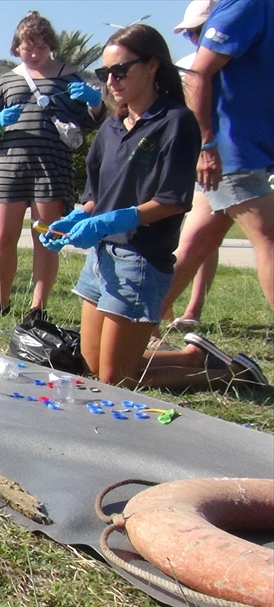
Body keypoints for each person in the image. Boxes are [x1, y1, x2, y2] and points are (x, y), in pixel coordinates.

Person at [40, 24, 265, 390]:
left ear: (152, 66)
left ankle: (231, 374)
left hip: (139, 259)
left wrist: (121, 217)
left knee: (116, 380)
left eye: (120, 70)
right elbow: (97, 193)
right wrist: (81, 215)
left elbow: (174, 200)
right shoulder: (112, 128)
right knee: (93, 368)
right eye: (104, 73)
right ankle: (194, 358)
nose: (111, 81)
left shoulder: (176, 123)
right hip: (101, 257)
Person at [0, 11, 107, 322]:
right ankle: (1, 300)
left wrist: (94, 101)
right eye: (27, 48)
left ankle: (38, 307)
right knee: (3, 237)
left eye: (41, 48)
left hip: (52, 167)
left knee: (45, 238)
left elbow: (94, 122)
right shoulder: (7, 80)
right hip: (11, 168)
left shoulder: (70, 76)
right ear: (16, 48)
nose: (34, 54)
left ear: (52, 47)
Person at [158, 0, 274, 322]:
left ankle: (134, 327)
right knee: (270, 238)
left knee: (196, 244)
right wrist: (206, 145)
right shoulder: (247, 4)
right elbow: (198, 73)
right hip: (231, 152)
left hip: (250, 151)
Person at [155, 0, 221, 335]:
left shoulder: (238, 64)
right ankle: (158, 310)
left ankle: (189, 308)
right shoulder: (185, 68)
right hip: (190, 159)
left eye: (200, 30)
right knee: (191, 236)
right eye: (191, 32)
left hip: (222, 160)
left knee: (204, 238)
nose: (196, 38)